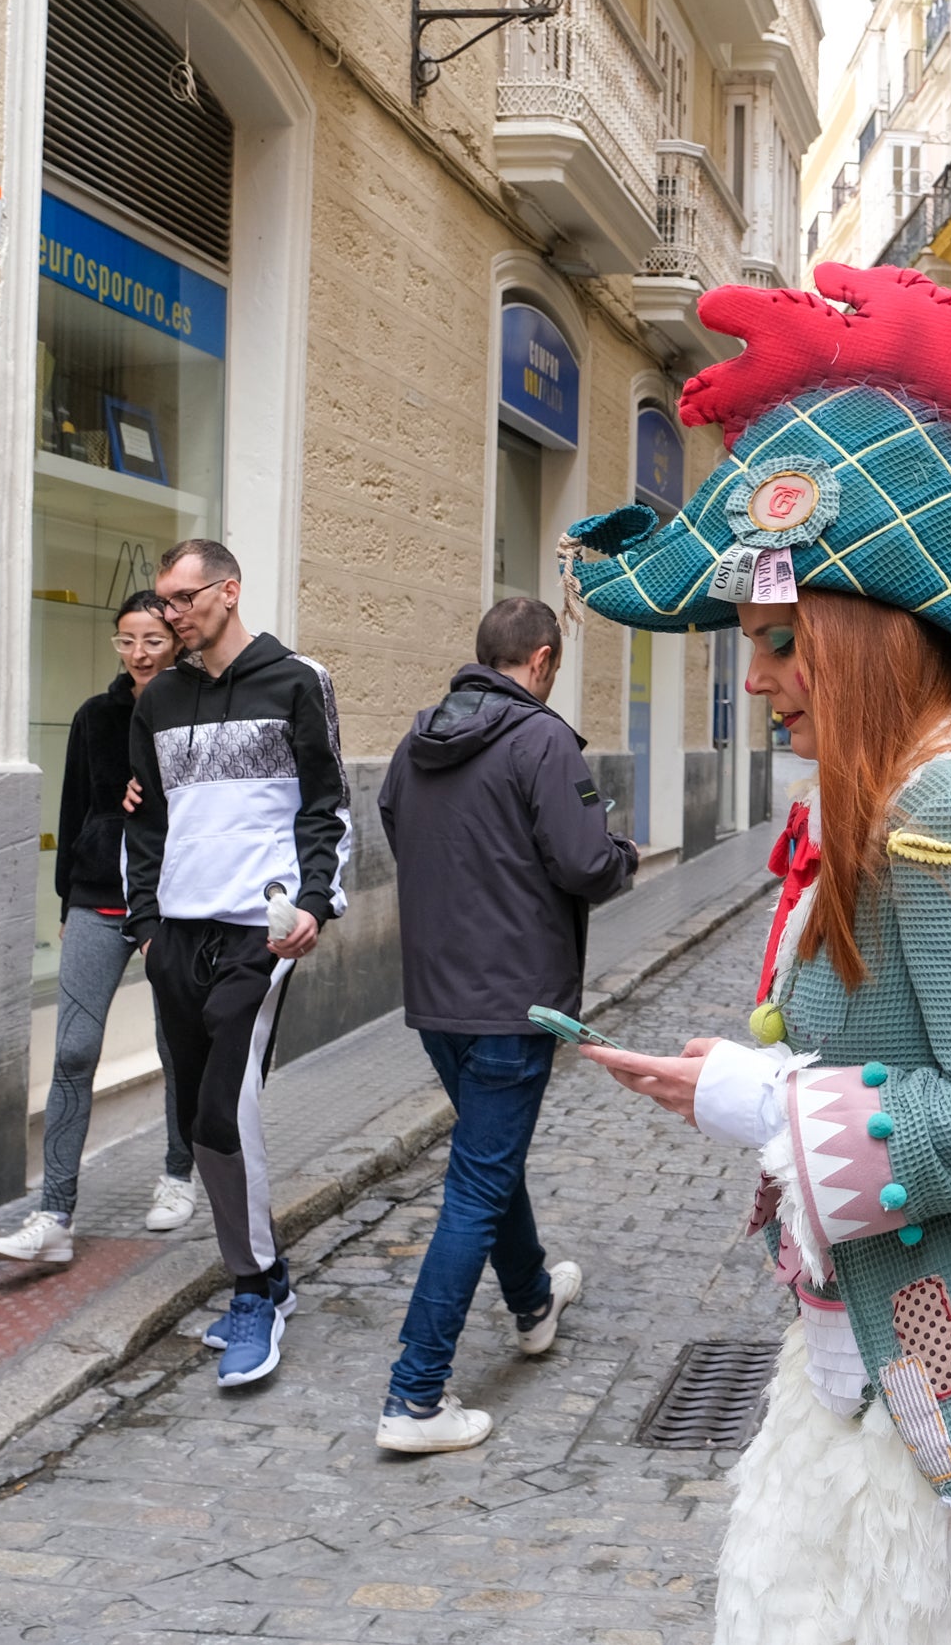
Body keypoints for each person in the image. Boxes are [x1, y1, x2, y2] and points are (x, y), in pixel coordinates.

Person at [557, 261, 951, 1644]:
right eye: (749, 640)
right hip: (901, 1327)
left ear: (863, 634)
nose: (756, 676)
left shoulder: (949, 802)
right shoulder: (905, 788)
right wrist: (747, 1069)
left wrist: (760, 1101)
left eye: (779, 639)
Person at [370, 596, 638, 1454]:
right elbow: (585, 863)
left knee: (490, 1157)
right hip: (515, 999)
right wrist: (622, 853)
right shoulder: (543, 739)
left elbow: (394, 824)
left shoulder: (420, 740)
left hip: (437, 994)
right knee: (478, 1183)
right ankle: (415, 1396)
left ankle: (531, 1301)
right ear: (544, 658)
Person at [124, 537, 352, 1388]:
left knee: (226, 1111)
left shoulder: (298, 680)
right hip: (176, 934)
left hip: (259, 932)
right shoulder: (160, 700)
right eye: (163, 601)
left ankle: (253, 1288)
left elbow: (327, 806)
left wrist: (315, 904)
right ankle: (266, 1275)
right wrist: (146, 926)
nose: (169, 615)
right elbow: (142, 822)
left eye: (181, 600)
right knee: (194, 1118)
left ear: (227, 592)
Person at [0, 592, 199, 1268]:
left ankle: (177, 1173)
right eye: (127, 641)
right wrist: (66, 900)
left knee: (177, 1048)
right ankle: (53, 1215)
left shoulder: (198, 714)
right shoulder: (95, 716)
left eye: (153, 641)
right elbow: (76, 807)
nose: (139, 653)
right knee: (73, 1052)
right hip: (99, 899)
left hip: (174, 904)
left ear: (178, 644)